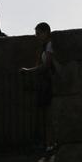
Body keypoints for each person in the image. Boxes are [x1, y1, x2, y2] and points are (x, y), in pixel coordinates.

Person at [21, 22, 59, 151]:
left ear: (45, 32)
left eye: (38, 33)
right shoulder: (45, 46)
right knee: (47, 115)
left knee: (50, 115)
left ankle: (51, 144)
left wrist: (29, 71)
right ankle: (50, 143)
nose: (36, 36)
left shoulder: (49, 45)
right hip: (47, 82)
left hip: (51, 82)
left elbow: (47, 65)